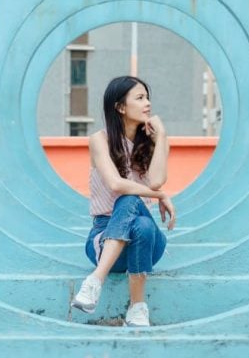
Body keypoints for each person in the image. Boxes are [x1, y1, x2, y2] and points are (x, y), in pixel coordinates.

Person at [70, 75, 176, 327]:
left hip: (149, 249)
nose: (147, 103)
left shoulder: (152, 141)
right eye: (139, 98)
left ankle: (95, 282)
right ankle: (137, 307)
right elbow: (116, 184)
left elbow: (156, 181)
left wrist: (161, 137)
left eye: (147, 97)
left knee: (139, 215)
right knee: (139, 217)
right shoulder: (100, 140)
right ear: (120, 107)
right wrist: (159, 196)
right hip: (103, 237)